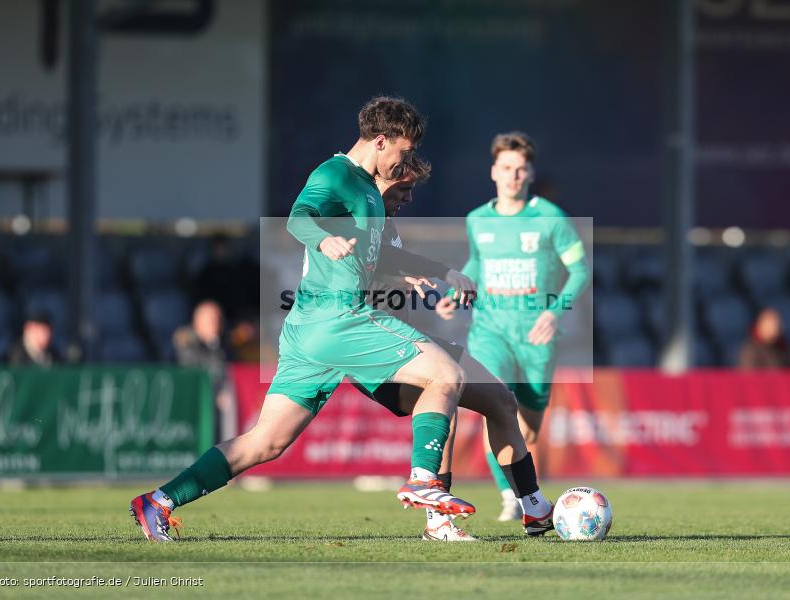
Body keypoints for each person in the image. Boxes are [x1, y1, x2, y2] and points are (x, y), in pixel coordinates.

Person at [130, 98, 557, 542]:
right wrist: (324, 239)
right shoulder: (336, 174)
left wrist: (438, 271)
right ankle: (425, 487)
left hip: (313, 331)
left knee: (266, 442)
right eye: (402, 151)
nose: (404, 163)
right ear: (380, 141)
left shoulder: (369, 191)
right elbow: (299, 218)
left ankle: (158, 501)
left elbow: (380, 252)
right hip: (340, 319)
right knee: (445, 376)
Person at [366, 152, 556, 541]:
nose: (409, 198)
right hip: (367, 346)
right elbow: (351, 275)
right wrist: (425, 273)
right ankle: (437, 520)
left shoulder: (389, 225)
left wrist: (402, 281)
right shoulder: (363, 221)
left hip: (400, 337)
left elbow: (380, 273)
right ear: (381, 181)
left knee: (501, 402)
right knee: (444, 389)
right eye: (403, 189)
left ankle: (534, 509)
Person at [436, 132, 590, 521]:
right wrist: (459, 291)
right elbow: (479, 263)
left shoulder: (551, 218)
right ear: (494, 171)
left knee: (530, 428)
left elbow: (580, 270)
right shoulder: (478, 219)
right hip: (490, 332)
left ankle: (518, 487)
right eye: (506, 168)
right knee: (497, 407)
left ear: (531, 173)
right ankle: (512, 494)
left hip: (538, 337)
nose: (513, 176)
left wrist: (555, 311)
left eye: (521, 169)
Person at [173, 300, 235, 441]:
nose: (215, 324)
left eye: (218, 320)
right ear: (197, 322)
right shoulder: (185, 343)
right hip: (193, 411)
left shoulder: (224, 344)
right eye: (211, 320)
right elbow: (196, 374)